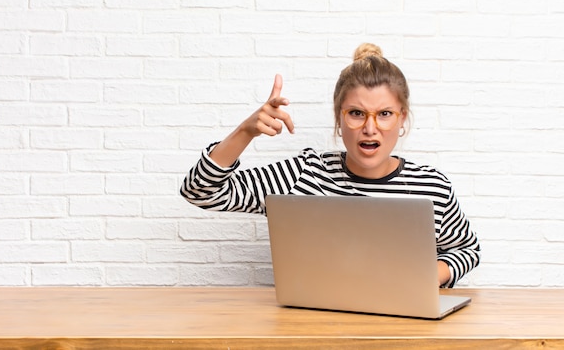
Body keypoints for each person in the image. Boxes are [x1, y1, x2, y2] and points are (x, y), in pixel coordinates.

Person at [181, 43, 480, 288]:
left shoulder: (432, 186)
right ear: (339, 119)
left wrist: (428, 277)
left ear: (402, 119)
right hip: (312, 330)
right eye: (356, 113)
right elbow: (201, 191)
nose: (370, 128)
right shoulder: (306, 173)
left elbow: (466, 250)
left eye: (385, 113)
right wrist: (245, 132)